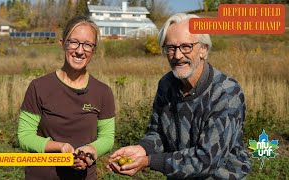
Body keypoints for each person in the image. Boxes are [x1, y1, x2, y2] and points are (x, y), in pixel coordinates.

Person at [108, 13, 251, 179]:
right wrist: (142, 149)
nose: (177, 56)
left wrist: (149, 161)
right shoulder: (166, 85)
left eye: (186, 47)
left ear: (203, 49)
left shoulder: (226, 93)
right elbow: (158, 132)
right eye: (171, 48)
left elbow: (206, 159)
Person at [17, 16, 115, 180]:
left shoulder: (103, 92)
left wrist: (90, 151)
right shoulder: (39, 87)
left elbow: (107, 137)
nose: (79, 50)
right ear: (62, 43)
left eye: (87, 45)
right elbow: (25, 136)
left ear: (94, 49)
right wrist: (59, 147)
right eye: (74, 42)